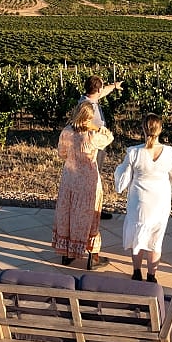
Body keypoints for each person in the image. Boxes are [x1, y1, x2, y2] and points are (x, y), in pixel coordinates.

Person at [114, 114, 172, 283]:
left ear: (143, 129)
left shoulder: (134, 152)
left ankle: (137, 272)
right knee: (156, 237)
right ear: (160, 130)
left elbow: (123, 176)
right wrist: (171, 189)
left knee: (138, 234)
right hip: (161, 199)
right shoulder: (171, 153)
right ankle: (152, 275)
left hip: (140, 200)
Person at [53, 101, 115, 269]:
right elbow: (110, 137)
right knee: (90, 217)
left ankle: (67, 253)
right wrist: (98, 127)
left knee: (68, 214)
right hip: (88, 182)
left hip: (69, 179)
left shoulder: (66, 132)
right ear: (89, 118)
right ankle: (93, 257)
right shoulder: (92, 136)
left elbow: (61, 154)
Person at [79, 75, 122, 219]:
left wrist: (114, 86)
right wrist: (100, 129)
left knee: (95, 177)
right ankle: (91, 210)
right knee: (92, 178)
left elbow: (103, 92)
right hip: (92, 147)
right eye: (101, 87)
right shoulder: (86, 105)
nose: (103, 89)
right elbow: (83, 123)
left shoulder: (92, 99)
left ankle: (94, 208)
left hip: (98, 145)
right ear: (97, 89)